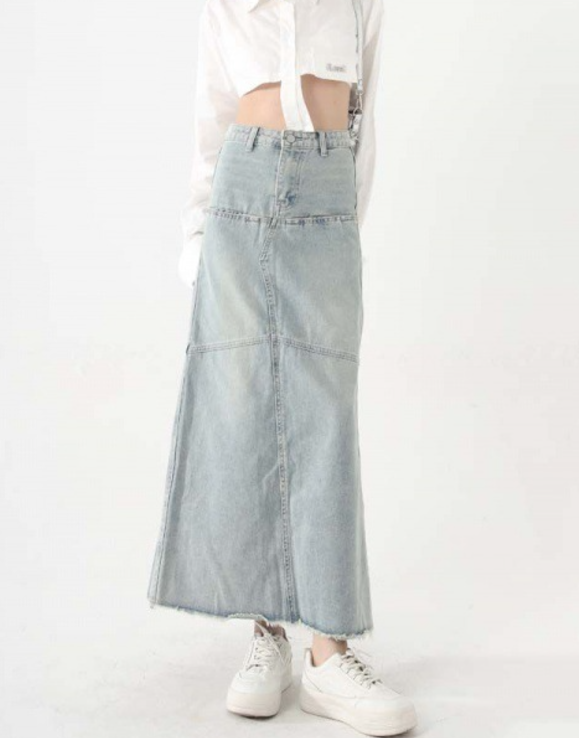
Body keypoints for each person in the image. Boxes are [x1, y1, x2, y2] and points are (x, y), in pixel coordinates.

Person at [147, 0, 418, 734]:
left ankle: (329, 653)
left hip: (326, 204)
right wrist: (197, 237)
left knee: (325, 424)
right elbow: (212, 120)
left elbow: (365, 121)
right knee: (243, 415)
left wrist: (344, 230)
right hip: (240, 199)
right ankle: (266, 632)